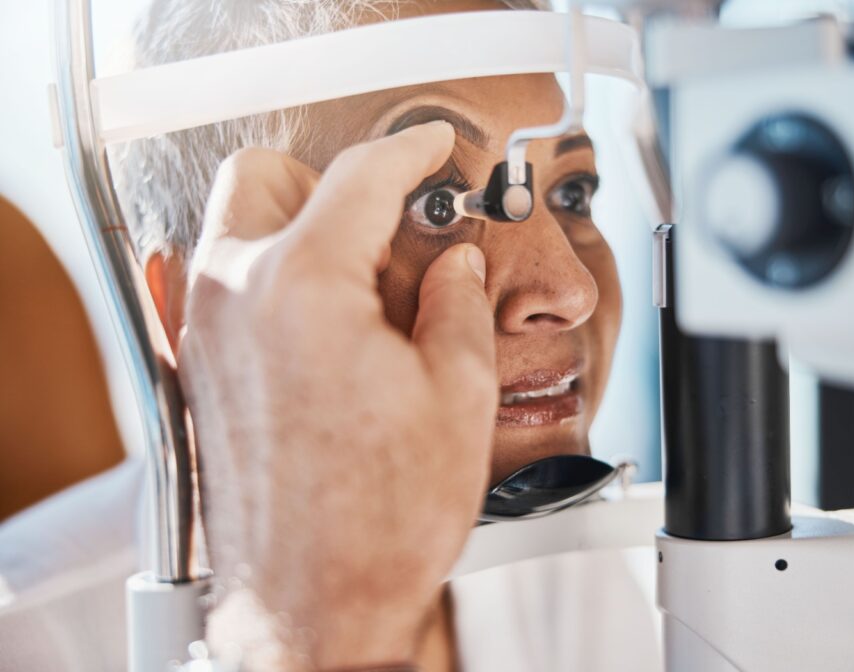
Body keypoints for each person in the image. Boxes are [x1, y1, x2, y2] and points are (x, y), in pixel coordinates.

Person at [0, 1, 659, 670]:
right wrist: (313, 630)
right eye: (435, 203)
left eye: (572, 193)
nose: (573, 290)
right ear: (196, 305)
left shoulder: (562, 569)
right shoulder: (26, 641)